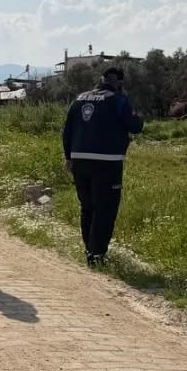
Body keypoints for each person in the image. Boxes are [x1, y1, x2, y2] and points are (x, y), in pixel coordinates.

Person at [62, 65, 143, 266]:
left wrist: (68, 157)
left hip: (79, 159)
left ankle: (89, 249)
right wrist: (133, 111)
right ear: (120, 82)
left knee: (87, 206)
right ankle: (97, 255)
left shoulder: (79, 98)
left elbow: (67, 130)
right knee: (105, 208)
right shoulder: (118, 100)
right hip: (107, 161)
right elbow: (136, 126)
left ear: (101, 79)